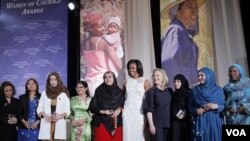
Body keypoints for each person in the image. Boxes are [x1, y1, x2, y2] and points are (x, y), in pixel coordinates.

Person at [161, 0, 206, 88]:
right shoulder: (176, 31)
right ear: (176, 11)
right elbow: (170, 65)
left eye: (195, 7)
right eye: (189, 7)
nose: (194, 11)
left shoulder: (184, 35)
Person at [82, 12, 122, 96]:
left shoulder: (84, 43)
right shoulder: (103, 43)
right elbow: (119, 65)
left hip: (88, 83)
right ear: (91, 28)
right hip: (102, 83)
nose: (104, 28)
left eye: (104, 25)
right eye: (100, 26)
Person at [188, 67, 225, 141]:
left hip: (215, 121)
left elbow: (224, 106)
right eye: (198, 76)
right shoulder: (194, 90)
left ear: (209, 76)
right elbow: (190, 106)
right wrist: (196, 110)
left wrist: (215, 106)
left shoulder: (218, 90)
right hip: (201, 121)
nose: (199, 77)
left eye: (202, 75)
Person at [88, 71, 124, 141]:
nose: (108, 79)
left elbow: (124, 105)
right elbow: (92, 107)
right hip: (101, 123)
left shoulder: (120, 92)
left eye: (110, 77)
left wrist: (119, 109)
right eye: (105, 77)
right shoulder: (99, 90)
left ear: (114, 78)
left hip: (116, 122)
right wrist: (104, 111)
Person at [122, 59, 151, 141]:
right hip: (127, 113)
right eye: (129, 68)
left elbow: (148, 100)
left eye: (133, 68)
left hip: (139, 113)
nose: (131, 70)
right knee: (127, 135)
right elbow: (123, 97)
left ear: (138, 68)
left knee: (139, 135)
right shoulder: (126, 82)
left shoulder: (145, 81)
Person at [37, 71, 71, 141]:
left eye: (55, 79)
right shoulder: (44, 93)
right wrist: (45, 115)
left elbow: (68, 110)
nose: (53, 81)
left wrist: (60, 115)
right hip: (46, 123)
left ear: (58, 80)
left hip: (59, 124)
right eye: (51, 79)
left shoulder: (64, 94)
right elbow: (39, 109)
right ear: (48, 81)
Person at [143, 68, 172, 141]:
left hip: (167, 124)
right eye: (154, 76)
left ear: (163, 78)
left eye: (157, 75)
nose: (155, 77)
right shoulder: (151, 92)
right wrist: (151, 125)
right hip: (157, 125)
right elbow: (149, 110)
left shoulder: (168, 91)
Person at [171, 74, 191, 141]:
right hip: (175, 123)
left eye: (178, 81)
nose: (176, 84)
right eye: (175, 81)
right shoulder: (173, 94)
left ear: (182, 82)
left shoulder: (188, 93)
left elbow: (190, 107)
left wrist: (184, 114)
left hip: (185, 123)